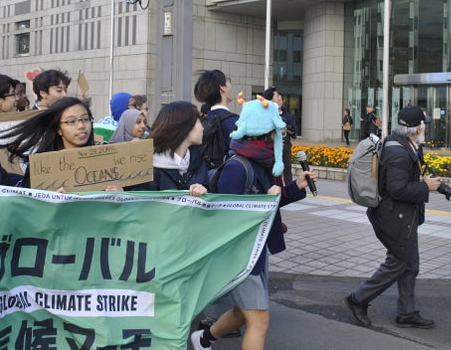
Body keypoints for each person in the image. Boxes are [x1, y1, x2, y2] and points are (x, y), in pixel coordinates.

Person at [190, 97, 315, 350]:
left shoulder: (260, 162)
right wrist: (263, 203)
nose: (281, 133)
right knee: (259, 320)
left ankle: (203, 339)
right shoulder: (238, 168)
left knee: (242, 312)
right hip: (239, 256)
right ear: (264, 132)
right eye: (276, 129)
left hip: (255, 252)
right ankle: (203, 339)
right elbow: (227, 218)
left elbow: (271, 199)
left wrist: (296, 187)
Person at [344, 106, 442, 329]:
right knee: (398, 263)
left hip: (403, 217)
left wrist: (423, 182)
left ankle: (407, 313)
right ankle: (357, 299)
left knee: (410, 264)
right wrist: (425, 187)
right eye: (423, 123)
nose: (425, 126)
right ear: (417, 128)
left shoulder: (403, 143)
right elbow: (397, 189)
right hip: (393, 218)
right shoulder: (398, 151)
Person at [1, 97, 122, 191]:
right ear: (59, 129)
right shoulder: (41, 167)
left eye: (85, 119)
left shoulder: (104, 161)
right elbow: (28, 209)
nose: (81, 126)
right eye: (71, 121)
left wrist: (120, 195)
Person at [132, 101, 208, 192]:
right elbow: (139, 202)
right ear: (185, 126)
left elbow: (210, 196)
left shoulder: (198, 160)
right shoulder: (147, 166)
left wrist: (205, 192)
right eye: (199, 121)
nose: (202, 128)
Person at [193, 69, 238, 164]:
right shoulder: (236, 122)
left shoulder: (200, 122)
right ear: (222, 88)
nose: (230, 85)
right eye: (227, 81)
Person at [262, 87, 297, 184]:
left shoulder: (287, 115)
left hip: (285, 144)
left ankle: (288, 188)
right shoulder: (265, 113)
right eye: (277, 96)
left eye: (281, 98)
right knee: (272, 169)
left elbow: (294, 130)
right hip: (271, 147)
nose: (279, 100)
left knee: (287, 168)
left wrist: (286, 128)